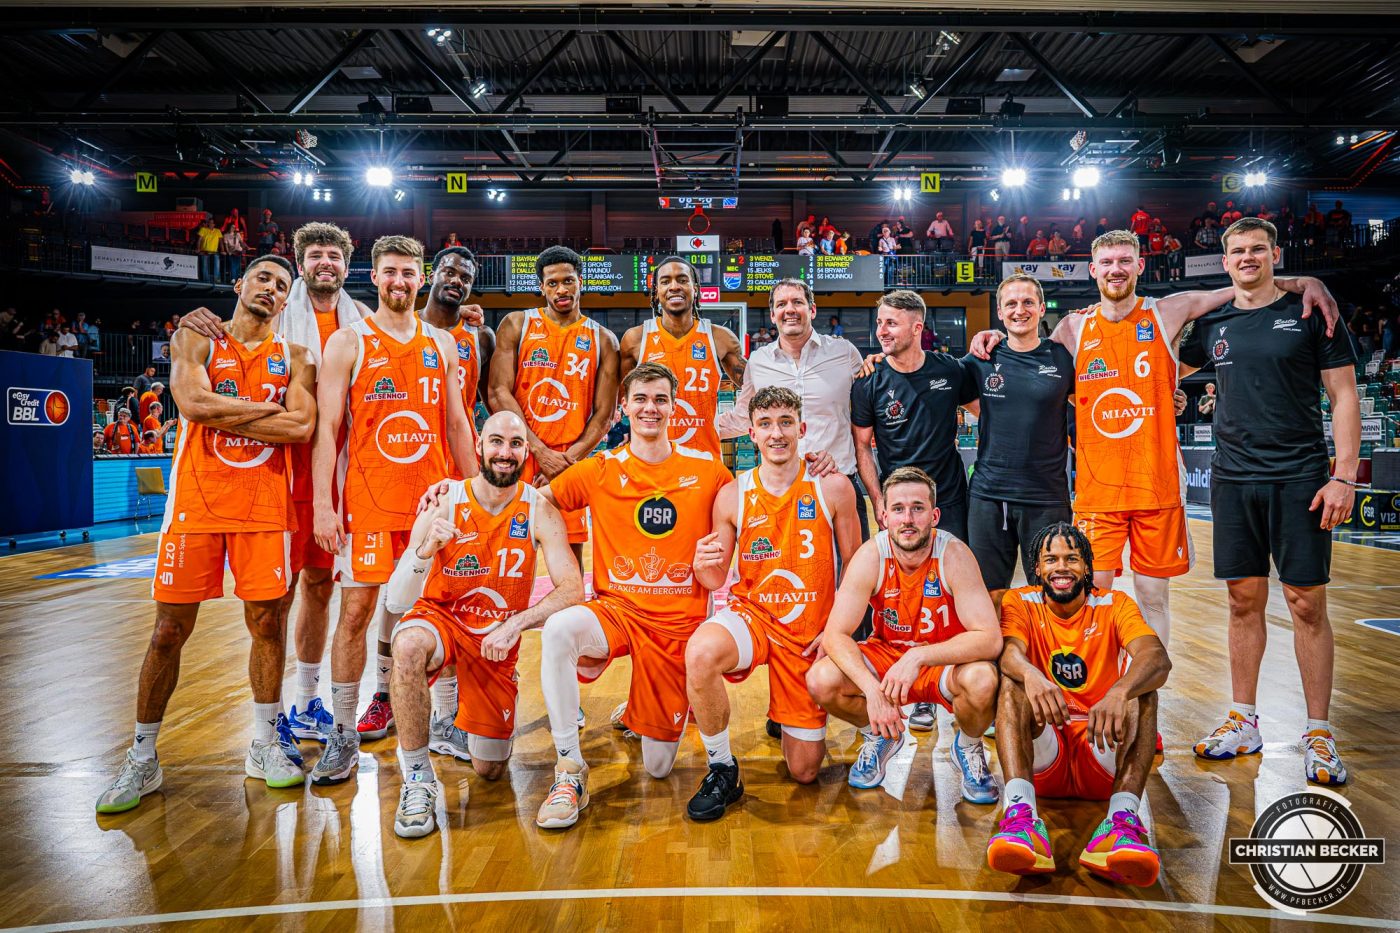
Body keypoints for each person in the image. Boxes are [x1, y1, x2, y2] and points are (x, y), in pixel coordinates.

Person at [969, 230, 1337, 671]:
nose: (1116, 270)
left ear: (1140, 265)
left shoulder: (1168, 311)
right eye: (1107, 263)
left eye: (1125, 260)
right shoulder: (1072, 328)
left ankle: (1146, 697)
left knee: (1153, 598)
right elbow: (1027, 355)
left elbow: (1242, 286)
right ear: (1093, 270)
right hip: (1099, 492)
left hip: (1156, 487)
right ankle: (1095, 693)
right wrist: (993, 334)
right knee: (1088, 598)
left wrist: (1301, 282)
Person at [94, 255, 316, 813]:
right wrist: (264, 410)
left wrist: (225, 411)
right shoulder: (195, 337)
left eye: (282, 285)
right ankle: (142, 757)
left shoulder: (297, 357)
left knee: (268, 625)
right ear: (239, 284)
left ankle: (263, 745)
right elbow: (191, 403)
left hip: (264, 506)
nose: (271, 289)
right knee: (168, 631)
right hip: (195, 503)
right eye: (263, 278)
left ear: (286, 300)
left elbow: (301, 425)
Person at [1178, 218, 1360, 786]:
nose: (1248, 257)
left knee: (1306, 604)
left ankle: (1318, 731)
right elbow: (1159, 364)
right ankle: (1243, 719)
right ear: (1225, 261)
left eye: (1258, 249)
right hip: (1233, 479)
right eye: (1238, 251)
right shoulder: (1212, 323)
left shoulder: (1312, 312)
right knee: (1241, 602)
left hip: (1300, 477)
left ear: (1275, 254)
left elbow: (1344, 395)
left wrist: (1344, 477)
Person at [530, 362, 732, 830]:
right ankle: (569, 768)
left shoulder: (709, 472)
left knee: (658, 768)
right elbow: (538, 502)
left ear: (675, 406)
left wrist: (818, 467)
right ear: (624, 406)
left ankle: (643, 708)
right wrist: (562, 562)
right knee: (558, 629)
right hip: (617, 612)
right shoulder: (601, 468)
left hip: (675, 627)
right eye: (640, 398)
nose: (650, 408)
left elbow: (758, 498)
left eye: (660, 399)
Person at [308, 235, 478, 785]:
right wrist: (323, 506)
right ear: (374, 276)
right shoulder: (348, 342)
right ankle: (342, 732)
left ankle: (446, 719)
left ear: (421, 278)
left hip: (433, 504)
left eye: (408, 272)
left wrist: (475, 494)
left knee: (444, 610)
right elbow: (327, 430)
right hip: (369, 504)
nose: (399, 281)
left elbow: (458, 424)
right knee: (356, 613)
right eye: (390, 272)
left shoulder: (442, 343)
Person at [382, 412, 582, 837]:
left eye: (515, 444)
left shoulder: (539, 509)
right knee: (408, 645)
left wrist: (518, 624)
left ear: (526, 453)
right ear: (479, 445)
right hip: (442, 621)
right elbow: (397, 601)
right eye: (496, 442)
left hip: (495, 637)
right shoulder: (444, 500)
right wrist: (425, 549)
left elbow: (572, 589)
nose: (504, 452)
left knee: (489, 769)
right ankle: (417, 779)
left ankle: (463, 721)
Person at [684, 387, 862, 820]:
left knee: (804, 772)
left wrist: (836, 632)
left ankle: (789, 713)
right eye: (765, 424)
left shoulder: (832, 486)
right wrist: (701, 564)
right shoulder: (733, 494)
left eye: (785, 422)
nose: (776, 433)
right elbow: (714, 579)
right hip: (755, 618)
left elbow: (858, 570)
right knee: (701, 653)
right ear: (751, 433)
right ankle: (722, 768)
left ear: (802, 428)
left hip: (808, 633)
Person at [986, 523, 1170, 887]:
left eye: (1071, 558)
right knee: (1012, 682)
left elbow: (1157, 658)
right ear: (1037, 567)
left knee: (1143, 690)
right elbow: (1008, 653)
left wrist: (1119, 691)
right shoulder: (1020, 601)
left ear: (1087, 566)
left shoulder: (1115, 603)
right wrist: (1031, 674)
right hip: (1044, 752)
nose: (1061, 567)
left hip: (1099, 745)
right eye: (1051, 559)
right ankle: (1021, 816)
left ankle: (1121, 822)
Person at [805, 467, 1001, 800]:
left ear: (934, 515)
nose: (907, 519)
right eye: (898, 509)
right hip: (888, 656)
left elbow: (989, 638)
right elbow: (835, 634)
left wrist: (919, 656)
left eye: (917, 508)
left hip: (942, 660)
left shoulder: (954, 555)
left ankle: (968, 746)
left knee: (983, 680)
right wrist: (873, 693)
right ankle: (880, 734)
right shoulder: (872, 555)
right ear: (883, 516)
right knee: (821, 678)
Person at [488, 245, 622, 559]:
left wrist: (564, 462)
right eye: (552, 283)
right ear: (542, 287)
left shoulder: (604, 339)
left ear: (580, 282)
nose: (561, 290)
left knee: (569, 555)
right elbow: (497, 392)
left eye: (568, 281)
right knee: (505, 553)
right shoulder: (517, 324)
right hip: (517, 453)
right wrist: (539, 452)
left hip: (568, 460)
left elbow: (605, 414)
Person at [713, 278, 864, 537]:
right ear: (773, 315)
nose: (790, 309)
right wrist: (689, 428)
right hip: (779, 492)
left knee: (853, 564)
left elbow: (869, 407)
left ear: (812, 310)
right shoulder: (759, 361)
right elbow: (742, 418)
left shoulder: (845, 353)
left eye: (797, 302)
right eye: (781, 304)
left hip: (837, 485)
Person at [962, 273, 1075, 591]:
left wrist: (1167, 396)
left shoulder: (1064, 358)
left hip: (1047, 498)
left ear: (1042, 308)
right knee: (989, 595)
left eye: (1028, 302)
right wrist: (882, 359)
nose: (1019, 310)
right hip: (989, 497)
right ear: (999, 312)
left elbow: (1100, 398)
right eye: (1011, 304)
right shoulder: (982, 358)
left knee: (1050, 594)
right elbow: (931, 376)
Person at [852, 289, 978, 542]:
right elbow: (862, 446)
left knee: (952, 565)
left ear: (916, 328)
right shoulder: (868, 381)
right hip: (898, 502)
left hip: (948, 500)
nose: (881, 331)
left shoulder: (950, 370)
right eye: (879, 322)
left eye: (891, 323)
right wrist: (877, 499)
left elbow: (987, 415)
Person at [620, 256, 746, 459]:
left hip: (703, 459)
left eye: (682, 280)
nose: (674, 286)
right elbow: (616, 399)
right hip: (651, 462)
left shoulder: (720, 338)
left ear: (695, 288)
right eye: (665, 281)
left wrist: (732, 423)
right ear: (656, 292)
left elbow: (754, 389)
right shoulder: (635, 339)